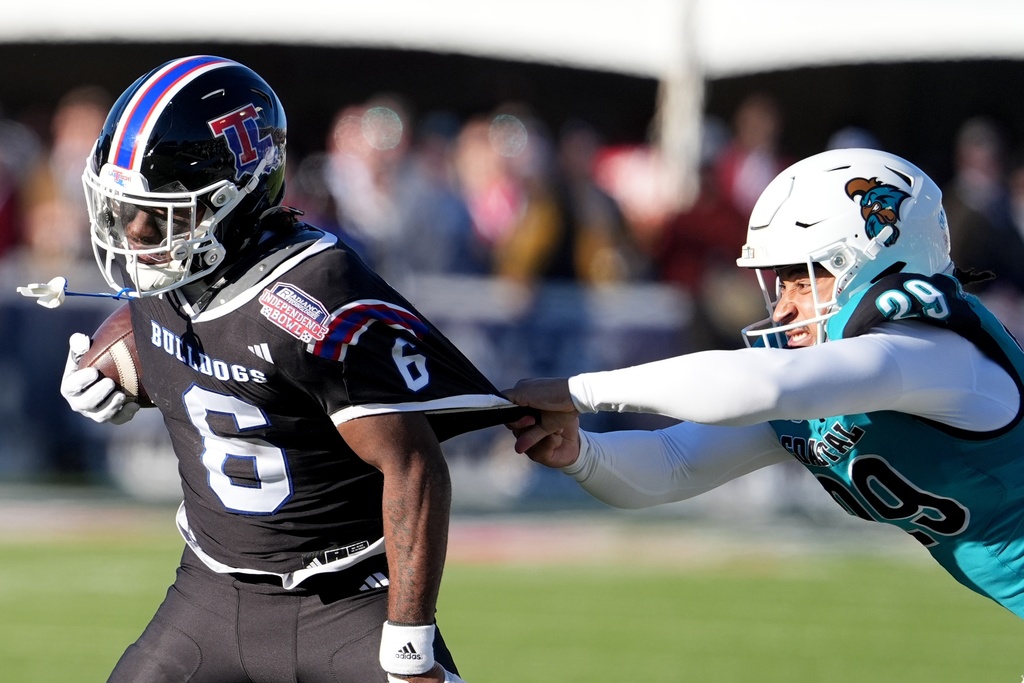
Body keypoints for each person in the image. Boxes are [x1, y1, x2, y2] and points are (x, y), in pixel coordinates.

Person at [57, 55, 524, 683]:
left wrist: (409, 645)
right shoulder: (179, 262)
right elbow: (149, 314)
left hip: (346, 602)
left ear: (235, 201)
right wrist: (104, 369)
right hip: (208, 595)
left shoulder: (311, 294)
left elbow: (412, 465)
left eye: (162, 210)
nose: (137, 232)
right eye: (128, 209)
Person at [505, 147, 1024, 619]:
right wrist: (580, 453)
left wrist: (581, 390)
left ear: (872, 262)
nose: (784, 306)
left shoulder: (936, 353)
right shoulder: (824, 379)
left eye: (803, 278)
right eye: (781, 283)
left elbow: (772, 387)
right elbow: (673, 464)